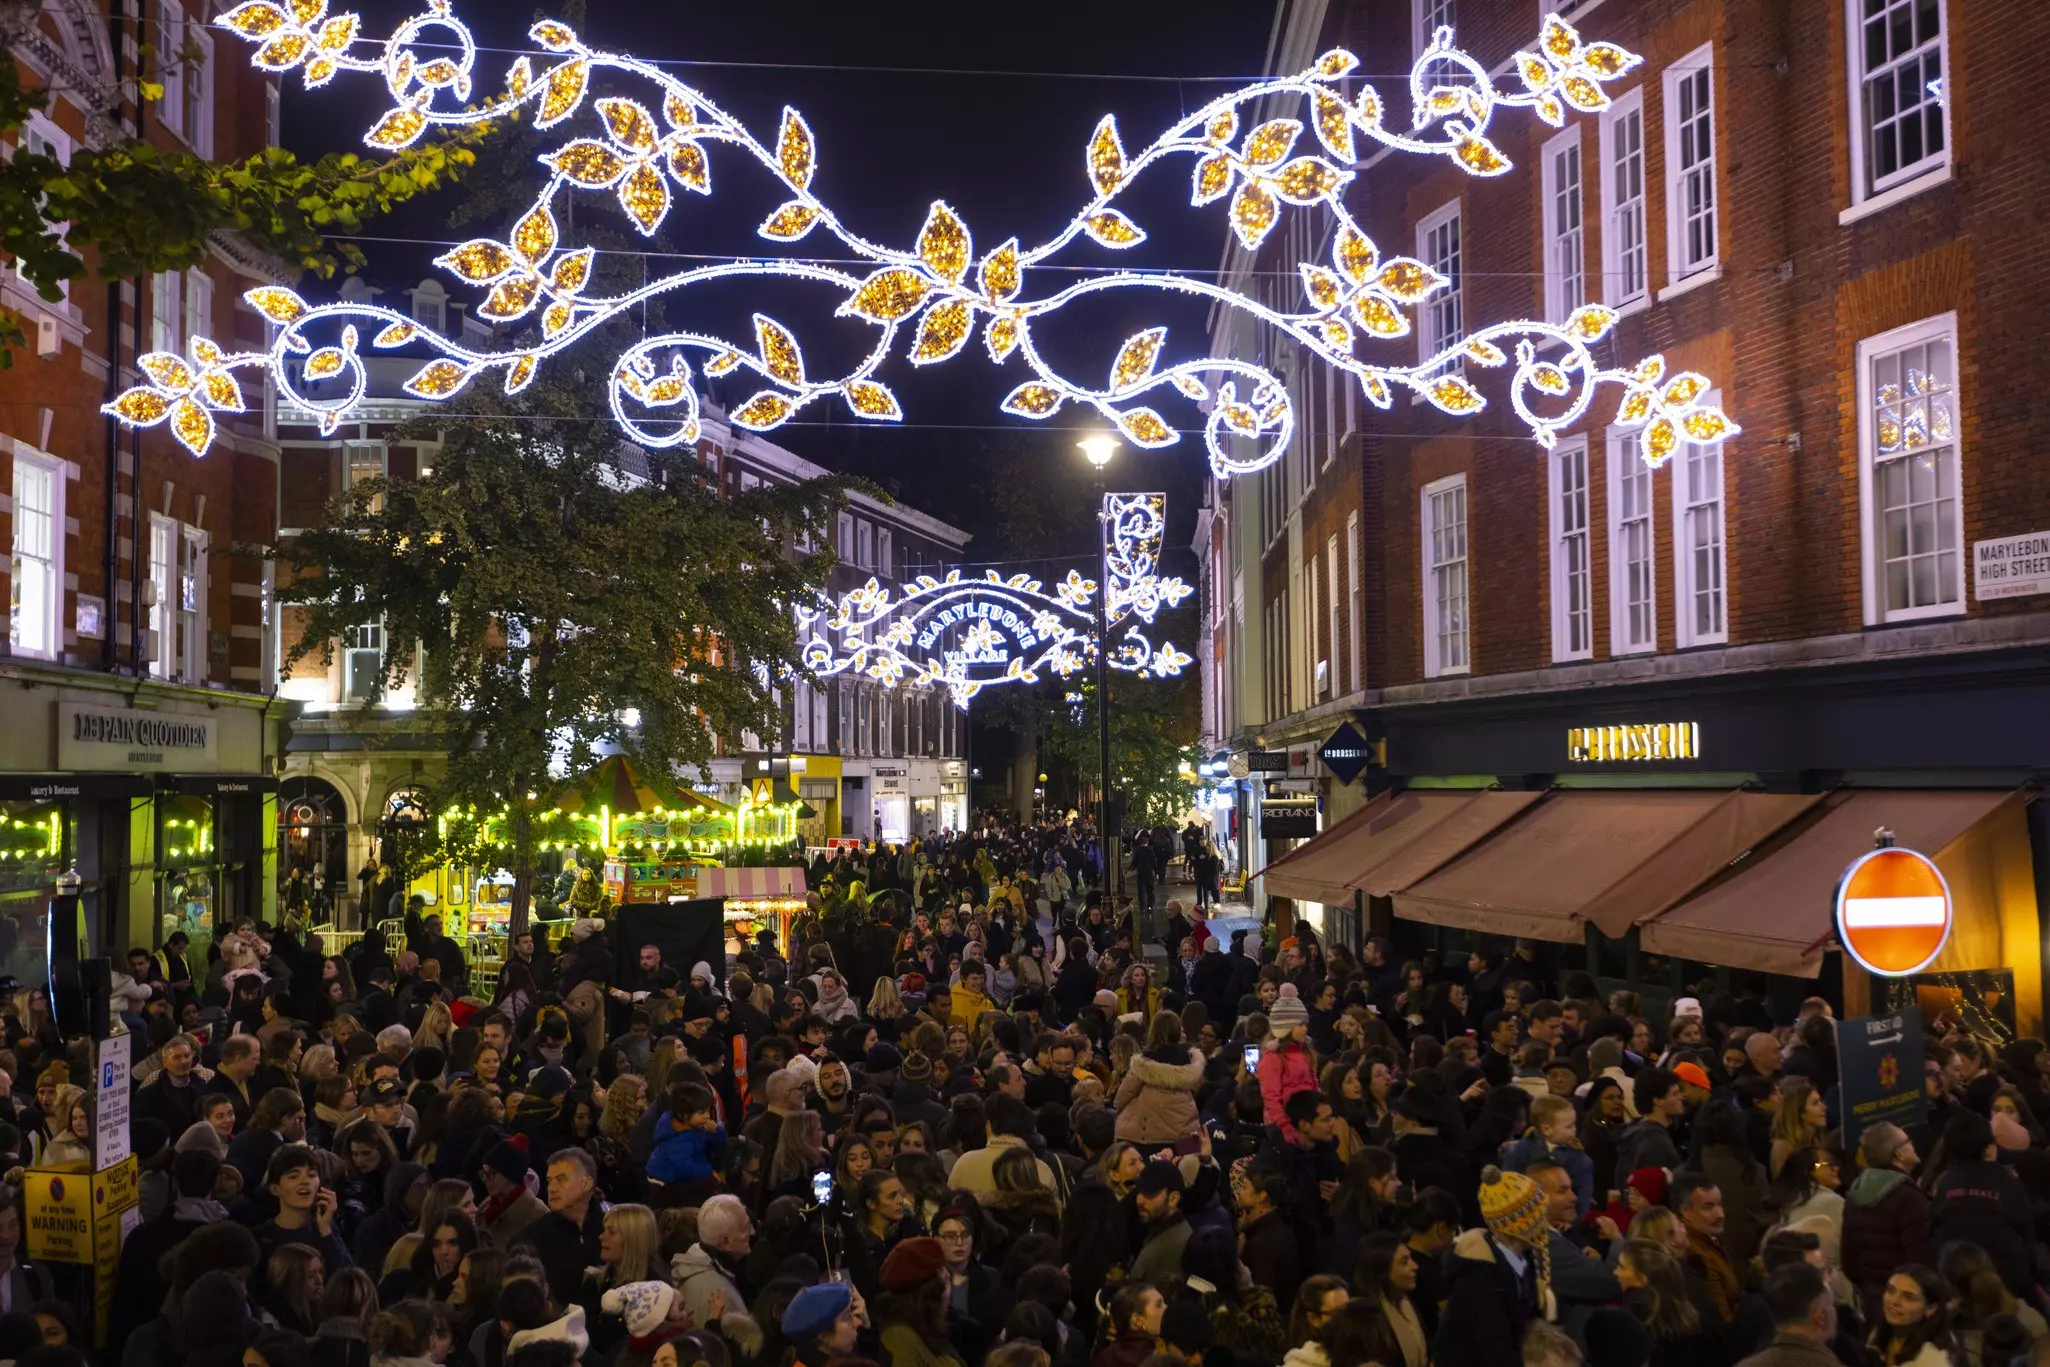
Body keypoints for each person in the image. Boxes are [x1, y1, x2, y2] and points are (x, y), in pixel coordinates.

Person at [1431, 1166, 1550, 1367]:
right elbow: (1495, 1352)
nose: (1544, 1221)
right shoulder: (1479, 1276)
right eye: (1537, 1214)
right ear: (1518, 1224)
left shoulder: (1523, 1257)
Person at [1841, 1121, 1930, 1325]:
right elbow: (1920, 1259)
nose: (1912, 1143)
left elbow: (1849, 1261)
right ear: (1898, 1154)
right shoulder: (1910, 1198)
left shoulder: (1854, 1195)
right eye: (1907, 1140)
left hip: (1873, 1301)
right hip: (1908, 1305)